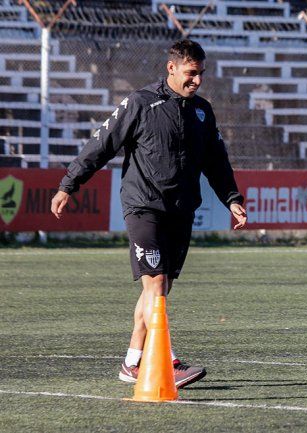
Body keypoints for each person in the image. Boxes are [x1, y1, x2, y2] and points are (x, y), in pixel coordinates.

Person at [50, 39, 247, 388]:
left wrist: (231, 198)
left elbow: (216, 161)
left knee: (159, 288)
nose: (197, 81)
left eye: (201, 74)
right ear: (171, 68)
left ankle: (131, 363)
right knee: (154, 283)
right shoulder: (141, 102)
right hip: (143, 206)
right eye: (191, 73)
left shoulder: (202, 111)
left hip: (181, 209)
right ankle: (167, 361)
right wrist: (69, 184)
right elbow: (102, 143)